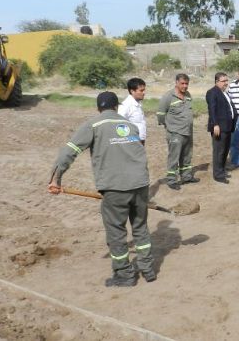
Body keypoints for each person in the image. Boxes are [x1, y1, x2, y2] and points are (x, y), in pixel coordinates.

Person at [47, 92, 154, 287]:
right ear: (116, 107)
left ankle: (124, 274)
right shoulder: (130, 125)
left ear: (98, 109)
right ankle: (148, 268)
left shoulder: (94, 125)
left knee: (116, 231)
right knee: (140, 227)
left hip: (115, 187)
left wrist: (56, 179)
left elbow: (68, 152)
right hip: (140, 183)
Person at [156, 73, 197, 191]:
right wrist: (169, 126)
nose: (185, 86)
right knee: (174, 157)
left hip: (188, 131)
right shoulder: (168, 96)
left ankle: (187, 176)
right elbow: (160, 115)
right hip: (175, 133)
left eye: (186, 84)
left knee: (187, 156)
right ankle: (172, 180)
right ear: (176, 83)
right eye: (182, 83)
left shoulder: (188, 95)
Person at [206, 72, 237, 184]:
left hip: (227, 127)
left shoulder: (224, 93)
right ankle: (218, 175)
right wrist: (215, 124)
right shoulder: (212, 93)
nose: (226, 83)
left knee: (225, 151)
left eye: (226, 81)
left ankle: (221, 171)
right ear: (217, 82)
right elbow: (212, 110)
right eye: (223, 81)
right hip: (219, 128)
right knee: (219, 151)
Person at [118, 77, 147, 145]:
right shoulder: (126, 105)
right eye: (141, 90)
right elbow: (119, 124)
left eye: (144, 90)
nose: (144, 93)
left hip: (139, 141)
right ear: (132, 91)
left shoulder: (137, 103)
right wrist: (130, 140)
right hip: (132, 142)